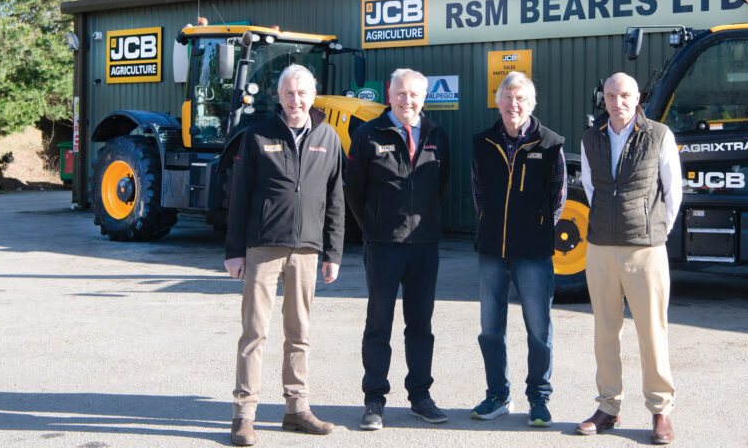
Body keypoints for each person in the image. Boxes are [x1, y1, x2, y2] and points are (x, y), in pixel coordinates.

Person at [224, 64, 345, 446]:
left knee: (299, 334)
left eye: (303, 93)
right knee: (254, 333)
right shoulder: (257, 136)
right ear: (279, 97)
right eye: (289, 94)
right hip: (263, 247)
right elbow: (239, 196)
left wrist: (333, 251)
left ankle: (296, 409)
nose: (296, 101)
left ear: (313, 96)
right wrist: (234, 251)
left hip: (308, 251)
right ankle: (244, 415)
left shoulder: (328, 137)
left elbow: (336, 200)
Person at [575, 72, 682, 445]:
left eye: (624, 95)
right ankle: (608, 407)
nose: (617, 102)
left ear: (637, 98)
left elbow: (673, 190)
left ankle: (660, 410)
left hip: (645, 250)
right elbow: (591, 188)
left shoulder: (659, 135)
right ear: (602, 99)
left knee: (652, 332)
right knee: (605, 332)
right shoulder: (591, 139)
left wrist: (657, 233)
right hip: (601, 248)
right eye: (610, 95)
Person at [345, 68, 450, 431]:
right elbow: (354, 190)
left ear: (424, 98)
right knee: (379, 324)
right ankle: (374, 397)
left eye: (415, 95)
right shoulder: (367, 134)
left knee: (420, 325)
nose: (408, 101)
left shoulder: (437, 135)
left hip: (424, 246)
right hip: (383, 245)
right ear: (390, 95)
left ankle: (420, 396)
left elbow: (441, 186)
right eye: (401, 94)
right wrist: (374, 227)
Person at [469, 71, 567, 427]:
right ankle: (498, 395)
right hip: (492, 251)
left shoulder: (550, 143)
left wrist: (538, 231)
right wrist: (489, 226)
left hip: (534, 254)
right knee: (490, 330)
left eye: (521, 98)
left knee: (539, 331)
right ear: (498, 102)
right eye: (508, 97)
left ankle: (539, 399)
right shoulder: (483, 142)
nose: (514, 104)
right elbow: (477, 190)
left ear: (531, 103)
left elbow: (558, 198)